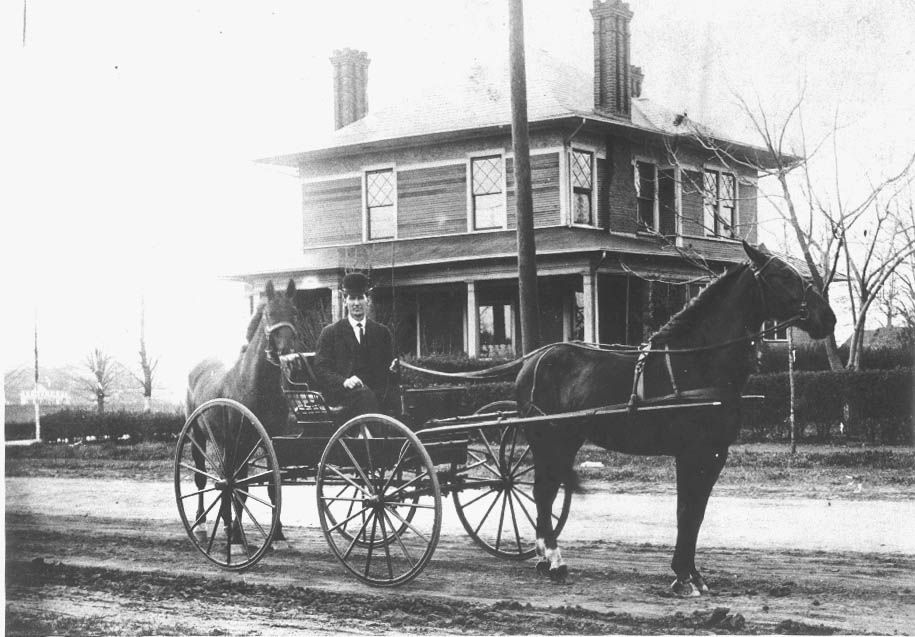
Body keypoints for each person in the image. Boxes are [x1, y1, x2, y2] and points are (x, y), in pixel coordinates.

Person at [314, 272, 394, 421]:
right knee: (364, 394)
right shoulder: (330, 333)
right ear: (345, 301)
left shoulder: (382, 332)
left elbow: (389, 369)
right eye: (352, 298)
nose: (356, 303)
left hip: (377, 392)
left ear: (368, 300)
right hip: (343, 395)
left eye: (360, 297)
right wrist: (344, 381)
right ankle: (373, 440)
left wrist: (393, 370)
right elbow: (321, 368)